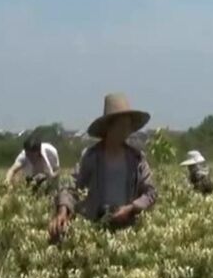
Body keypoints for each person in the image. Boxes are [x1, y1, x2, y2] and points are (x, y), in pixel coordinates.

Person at [48, 93, 158, 242]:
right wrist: (63, 211)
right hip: (95, 229)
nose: (126, 130)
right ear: (109, 126)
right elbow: (70, 186)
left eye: (128, 125)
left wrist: (131, 208)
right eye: (122, 125)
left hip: (128, 233)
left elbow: (151, 193)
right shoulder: (91, 157)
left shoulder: (137, 159)